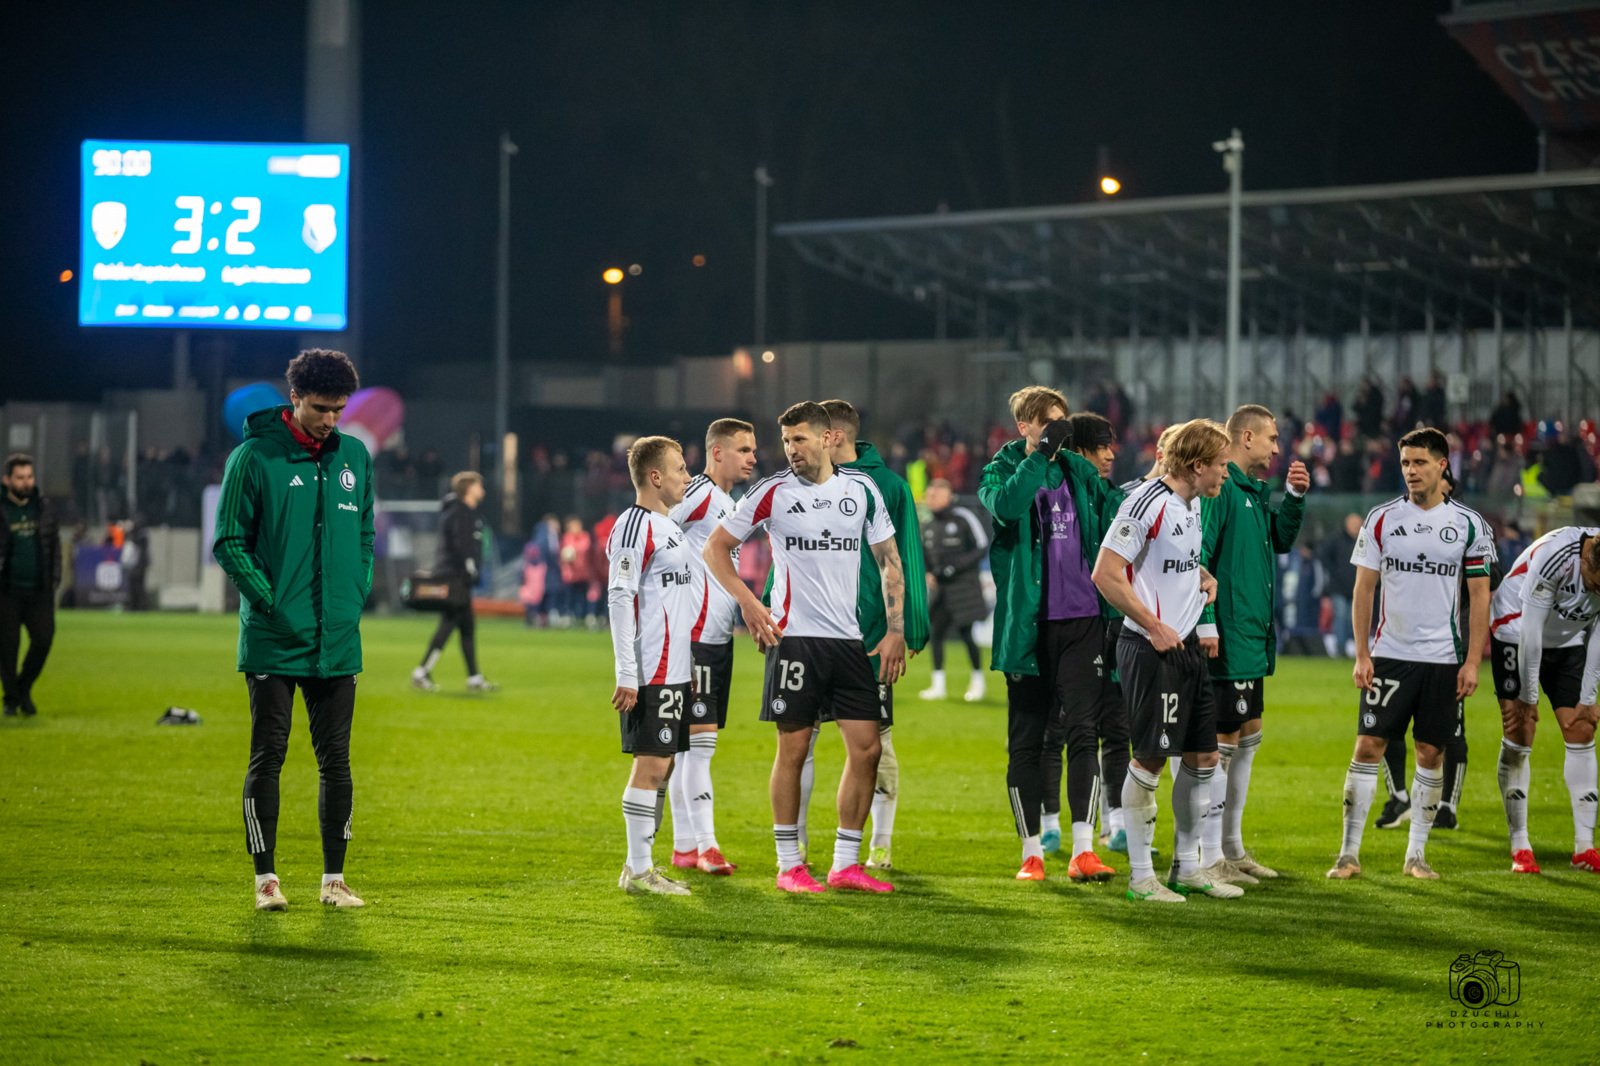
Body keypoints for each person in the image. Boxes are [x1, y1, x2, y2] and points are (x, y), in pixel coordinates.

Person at [703, 401, 907, 895]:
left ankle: (844, 863)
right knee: (793, 749)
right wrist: (750, 604)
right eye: (787, 441)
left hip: (849, 640)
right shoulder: (772, 492)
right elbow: (715, 548)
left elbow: (889, 562)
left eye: (800, 439)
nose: (791, 450)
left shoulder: (860, 492)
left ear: (828, 438)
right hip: (794, 640)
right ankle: (789, 863)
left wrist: (896, 627)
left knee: (868, 748)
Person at [212, 349, 374, 911]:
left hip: (337, 637)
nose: (331, 419)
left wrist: (355, 594)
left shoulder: (354, 456)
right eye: (321, 408)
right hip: (274, 637)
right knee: (269, 755)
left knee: (338, 761)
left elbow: (364, 534)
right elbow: (229, 542)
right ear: (295, 399)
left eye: (339, 409)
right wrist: (269, 602)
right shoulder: (253, 457)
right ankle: (266, 880)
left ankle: (334, 879)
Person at [1327, 428, 1492, 882]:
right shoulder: (1381, 519)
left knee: (1430, 753)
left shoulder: (1470, 525)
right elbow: (1364, 589)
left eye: (1419, 462)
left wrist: (1473, 661)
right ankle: (1347, 854)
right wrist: (1362, 653)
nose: (1411, 471)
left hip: (1443, 659)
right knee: (1367, 746)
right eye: (1405, 463)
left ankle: (1416, 855)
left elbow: (1481, 597)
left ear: (1442, 465)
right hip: (1390, 656)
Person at [980, 386, 1118, 883]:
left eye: (1063, 422)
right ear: (1025, 427)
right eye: (1049, 423)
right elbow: (1008, 508)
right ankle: (1031, 852)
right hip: (1027, 627)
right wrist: (1039, 455)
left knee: (1084, 731)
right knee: (1028, 742)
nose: (1059, 430)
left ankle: (1084, 849)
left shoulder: (1078, 472)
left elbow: (1117, 514)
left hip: (1082, 622)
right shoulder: (999, 471)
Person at [1091, 418, 1232, 902]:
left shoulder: (1190, 506)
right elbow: (1106, 574)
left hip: (1186, 646)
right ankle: (1140, 878)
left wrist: (1203, 575)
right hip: (1152, 647)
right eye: (1221, 466)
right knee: (1150, 758)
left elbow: (1171, 561)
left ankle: (1186, 868)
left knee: (1204, 758)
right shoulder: (1146, 503)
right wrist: (1153, 625)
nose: (1225, 475)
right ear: (1197, 466)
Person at [792, 398, 929, 870]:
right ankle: (799, 847)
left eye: (813, 433)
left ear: (832, 436)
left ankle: (879, 844)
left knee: (877, 743)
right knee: (800, 742)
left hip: (868, 636)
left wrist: (910, 627)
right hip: (807, 633)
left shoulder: (886, 485)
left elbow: (903, 555)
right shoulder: (800, 484)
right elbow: (788, 551)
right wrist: (772, 602)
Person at [1192, 405, 1309, 885]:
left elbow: (1279, 540)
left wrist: (1295, 498)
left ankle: (1233, 847)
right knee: (1220, 743)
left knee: (1247, 731)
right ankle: (1210, 852)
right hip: (1228, 636)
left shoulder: (1254, 493)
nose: (1277, 448)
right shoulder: (1221, 491)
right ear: (1246, 437)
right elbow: (1197, 558)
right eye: (1272, 439)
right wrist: (1206, 623)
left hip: (1252, 637)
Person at [663, 417, 758, 876]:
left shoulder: (727, 502)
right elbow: (655, 527)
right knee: (700, 747)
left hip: (717, 638)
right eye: (744, 450)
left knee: (690, 750)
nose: (753, 458)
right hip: (694, 637)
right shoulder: (698, 493)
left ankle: (684, 847)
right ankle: (707, 845)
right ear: (717, 452)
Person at [607, 436, 698, 896]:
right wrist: (628, 672)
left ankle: (641, 866)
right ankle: (638, 871)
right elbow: (620, 596)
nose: (687, 476)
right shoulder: (633, 525)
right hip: (652, 668)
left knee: (661, 766)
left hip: (676, 667)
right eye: (680, 469)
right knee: (651, 765)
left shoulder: (670, 526)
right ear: (655, 476)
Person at [1489, 525, 1600, 874]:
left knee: (1582, 728)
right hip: (1514, 630)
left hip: (1566, 640)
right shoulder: (1557, 555)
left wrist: (1589, 697)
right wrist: (1528, 695)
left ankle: (1585, 847)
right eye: (1596, 583)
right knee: (1520, 730)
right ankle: (1520, 844)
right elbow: (1531, 633)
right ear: (1585, 560)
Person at [1066, 412, 1133, 854]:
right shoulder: (1061, 498)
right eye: (1101, 446)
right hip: (1074, 627)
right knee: (1074, 731)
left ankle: (1118, 821)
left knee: (1117, 725)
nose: (1111, 454)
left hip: (1113, 623)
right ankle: (1059, 828)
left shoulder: (1112, 497)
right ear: (1080, 451)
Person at [411, 472, 496, 693]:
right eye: (479, 486)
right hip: (456, 576)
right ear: (469, 488)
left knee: (466, 626)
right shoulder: (461, 512)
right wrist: (470, 567)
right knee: (451, 622)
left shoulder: (460, 511)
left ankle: (474, 677)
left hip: (458, 576)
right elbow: (461, 544)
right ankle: (421, 672)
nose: (483, 490)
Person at [0, 454, 60, 718]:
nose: (26, 483)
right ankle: (12, 699)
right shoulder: (2, 509)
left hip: (38, 590)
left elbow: (54, 547)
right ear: (7, 480)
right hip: (7, 591)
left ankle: (23, 687)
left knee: (44, 640)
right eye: (20, 478)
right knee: (7, 648)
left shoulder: (43, 508)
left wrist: (54, 580)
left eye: (29, 477)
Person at [919, 478, 989, 703]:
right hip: (940, 589)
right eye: (929, 496)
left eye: (936, 496)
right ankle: (938, 685)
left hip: (963, 586)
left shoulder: (963, 518)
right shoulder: (927, 524)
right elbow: (923, 554)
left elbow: (981, 545)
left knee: (966, 634)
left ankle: (978, 682)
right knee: (936, 634)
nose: (931, 500)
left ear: (948, 496)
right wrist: (928, 572)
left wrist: (955, 567)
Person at [1319, 514, 1362, 660]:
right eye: (1353, 524)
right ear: (1347, 524)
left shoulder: (1363, 540)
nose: (1356, 527)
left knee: (1352, 620)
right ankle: (1340, 649)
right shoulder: (1336, 539)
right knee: (1341, 617)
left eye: (1358, 524)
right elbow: (1323, 555)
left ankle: (1350, 648)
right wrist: (1334, 572)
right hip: (1338, 587)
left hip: (1356, 587)